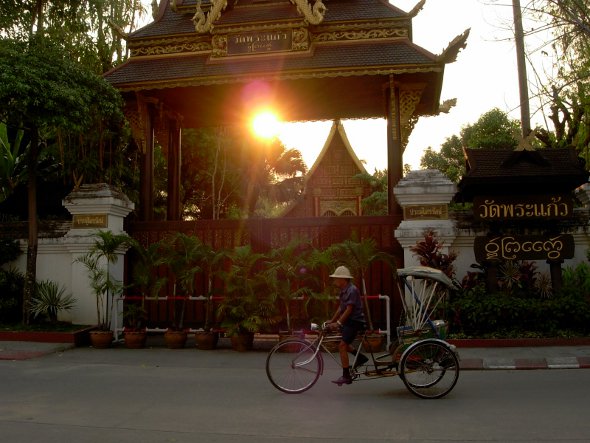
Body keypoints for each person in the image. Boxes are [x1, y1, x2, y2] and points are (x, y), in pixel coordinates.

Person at [327, 265, 368, 385]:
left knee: (342, 345)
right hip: (349, 321)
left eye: (336, 278)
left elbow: (349, 309)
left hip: (355, 321)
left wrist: (338, 323)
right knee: (341, 341)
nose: (334, 281)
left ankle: (346, 376)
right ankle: (360, 357)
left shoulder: (352, 290)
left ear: (342, 279)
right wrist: (332, 320)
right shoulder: (343, 291)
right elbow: (341, 308)